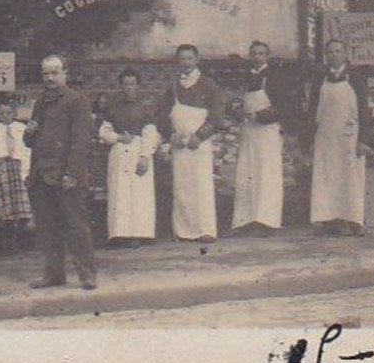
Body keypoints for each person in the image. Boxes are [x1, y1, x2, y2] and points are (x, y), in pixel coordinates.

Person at [23, 54, 98, 290]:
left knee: (76, 225)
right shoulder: (40, 102)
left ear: (65, 73)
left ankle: (87, 274)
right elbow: (29, 141)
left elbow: (81, 140)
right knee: (47, 227)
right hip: (42, 174)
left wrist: (72, 173)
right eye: (46, 73)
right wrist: (30, 132)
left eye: (55, 72)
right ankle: (54, 275)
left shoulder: (77, 101)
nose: (50, 78)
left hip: (66, 175)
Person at [158, 44, 227, 244]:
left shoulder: (208, 84)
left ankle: (206, 230)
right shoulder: (173, 86)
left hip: (199, 144)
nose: (186, 63)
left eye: (189, 59)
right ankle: (183, 231)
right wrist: (171, 135)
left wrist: (201, 135)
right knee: (182, 187)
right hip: (180, 144)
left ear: (197, 60)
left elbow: (217, 115)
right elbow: (162, 113)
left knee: (202, 186)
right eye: (182, 59)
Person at [232, 41, 301, 236]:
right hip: (249, 132)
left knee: (267, 175)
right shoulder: (248, 77)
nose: (257, 57)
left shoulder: (276, 77)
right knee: (246, 173)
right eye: (253, 53)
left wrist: (262, 116)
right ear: (249, 55)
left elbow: (287, 106)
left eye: (261, 54)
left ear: (267, 56)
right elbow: (241, 101)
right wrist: (238, 110)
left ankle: (267, 221)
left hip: (268, 132)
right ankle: (245, 220)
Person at [307, 38, 374, 236]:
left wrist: (363, 140)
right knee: (327, 177)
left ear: (345, 54)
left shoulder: (355, 78)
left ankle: (355, 220)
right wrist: (309, 139)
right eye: (330, 52)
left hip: (349, 137)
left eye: (338, 51)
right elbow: (313, 109)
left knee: (351, 178)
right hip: (326, 137)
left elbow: (364, 109)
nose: (334, 55)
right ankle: (330, 219)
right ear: (326, 56)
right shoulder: (320, 79)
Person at [98, 68, 161, 247]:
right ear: (121, 86)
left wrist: (145, 156)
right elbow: (104, 131)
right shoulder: (113, 107)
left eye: (132, 84)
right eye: (125, 84)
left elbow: (150, 132)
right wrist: (118, 138)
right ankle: (120, 234)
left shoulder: (146, 107)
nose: (129, 88)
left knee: (140, 193)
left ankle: (141, 233)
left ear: (138, 86)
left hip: (138, 150)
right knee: (120, 193)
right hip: (119, 153)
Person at [0, 99, 33, 250]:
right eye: (2, 113)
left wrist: (26, 172)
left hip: (18, 166)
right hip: (2, 165)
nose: (5, 116)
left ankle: (19, 240)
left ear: (14, 114)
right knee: (5, 207)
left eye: (8, 113)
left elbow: (26, 151)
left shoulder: (20, 128)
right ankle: (6, 241)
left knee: (21, 206)